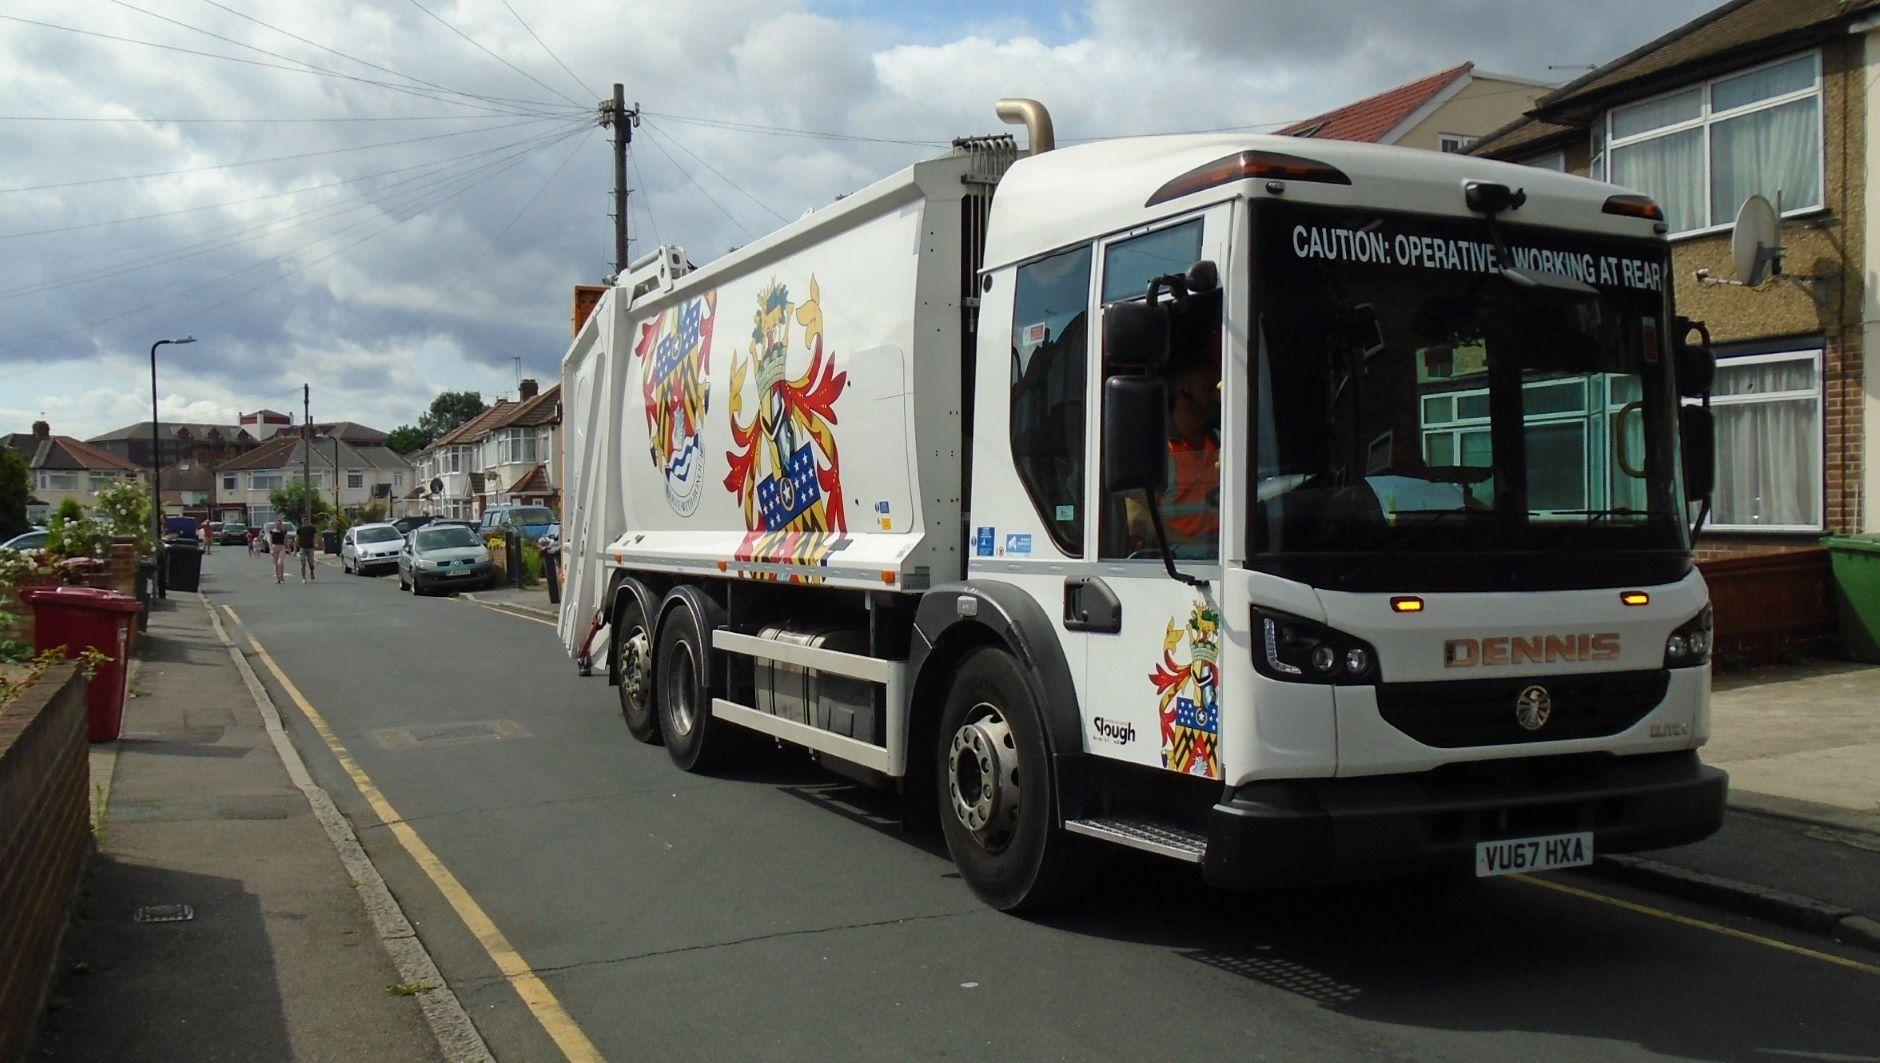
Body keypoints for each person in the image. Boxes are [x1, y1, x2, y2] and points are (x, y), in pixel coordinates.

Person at [1126, 355, 1221, 557]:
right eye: (1208, 389)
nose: (1217, 398)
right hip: (1174, 564)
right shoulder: (1152, 450)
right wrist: (1198, 547)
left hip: (1222, 556)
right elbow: (1138, 520)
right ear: (1183, 392)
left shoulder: (1225, 443)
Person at [297, 515, 318, 583]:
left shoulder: (312, 528)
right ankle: (304, 578)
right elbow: (297, 538)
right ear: (301, 520)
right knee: (303, 563)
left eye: (306, 519)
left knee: (311, 562)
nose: (304, 521)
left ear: (308, 520)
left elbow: (315, 536)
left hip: (310, 547)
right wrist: (295, 548)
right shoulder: (299, 529)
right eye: (303, 520)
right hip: (302, 547)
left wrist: (316, 543)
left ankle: (311, 571)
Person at [267, 518, 288, 584]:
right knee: (275, 564)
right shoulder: (272, 531)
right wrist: (270, 549)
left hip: (281, 547)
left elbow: (286, 540)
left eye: (279, 524)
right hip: (274, 547)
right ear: (275, 524)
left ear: (281, 525)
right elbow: (270, 541)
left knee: (280, 563)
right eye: (277, 524)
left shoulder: (284, 531)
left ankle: (282, 577)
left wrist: (287, 548)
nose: (278, 525)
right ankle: (278, 578)